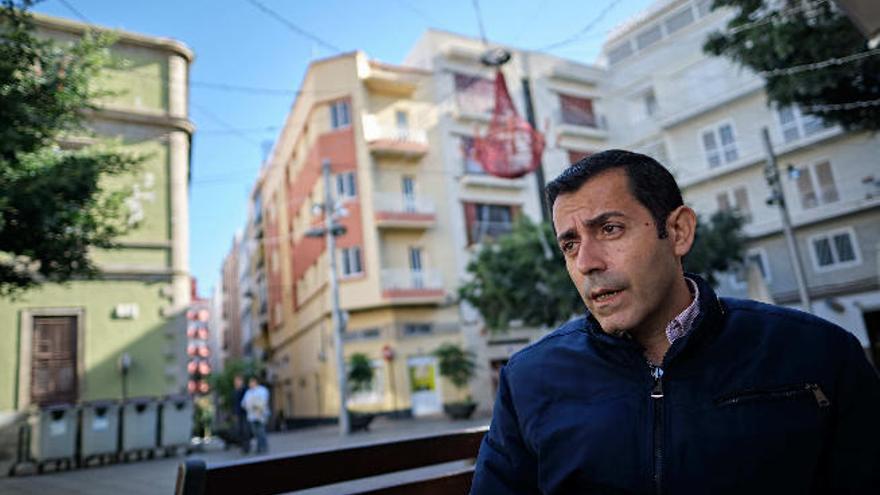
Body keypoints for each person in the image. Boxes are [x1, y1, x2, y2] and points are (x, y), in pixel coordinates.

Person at [471, 149, 880, 494]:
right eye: (570, 243)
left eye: (610, 229)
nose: (587, 263)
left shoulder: (816, 353)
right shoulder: (528, 380)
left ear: (679, 231)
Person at [241, 376, 270, 454]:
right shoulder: (248, 392)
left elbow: (264, 401)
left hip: (261, 415)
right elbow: (243, 403)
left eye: (251, 382)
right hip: (251, 416)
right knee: (255, 432)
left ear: (255, 382)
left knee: (261, 431)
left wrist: (256, 405)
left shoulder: (262, 390)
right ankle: (259, 446)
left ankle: (263, 447)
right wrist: (248, 405)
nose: (250, 384)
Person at [232, 375, 251, 453]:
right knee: (240, 430)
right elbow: (234, 403)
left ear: (241, 381)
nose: (236, 382)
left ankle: (246, 448)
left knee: (245, 430)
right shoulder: (235, 390)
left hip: (245, 413)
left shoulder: (245, 390)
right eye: (235, 381)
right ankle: (243, 446)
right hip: (238, 413)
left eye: (238, 381)